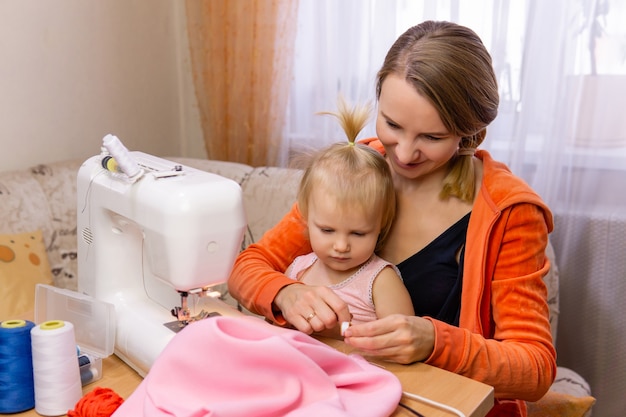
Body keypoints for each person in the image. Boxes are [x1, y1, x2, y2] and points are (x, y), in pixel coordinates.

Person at [228, 20, 555, 417]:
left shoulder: (509, 211)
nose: (403, 154)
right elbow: (249, 267)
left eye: (431, 138)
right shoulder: (356, 170)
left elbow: (535, 368)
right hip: (334, 393)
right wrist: (285, 293)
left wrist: (434, 341)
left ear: (469, 133)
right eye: (392, 125)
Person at [284, 98, 415, 338]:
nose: (341, 246)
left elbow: (402, 345)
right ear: (306, 217)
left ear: (380, 225)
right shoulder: (297, 270)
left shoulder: (379, 280)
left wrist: (342, 332)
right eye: (327, 230)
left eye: (358, 233)